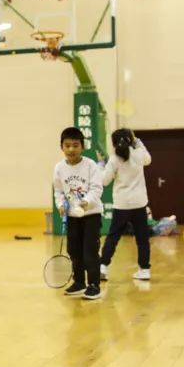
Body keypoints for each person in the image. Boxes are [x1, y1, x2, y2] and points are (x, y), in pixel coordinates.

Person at [53, 127, 104, 301]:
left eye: (75, 145)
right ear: (62, 147)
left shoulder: (91, 166)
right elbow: (58, 191)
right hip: (72, 217)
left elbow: (97, 188)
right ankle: (79, 282)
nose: (71, 149)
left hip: (91, 215)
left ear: (82, 146)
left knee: (90, 251)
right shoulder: (59, 168)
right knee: (74, 250)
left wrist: (87, 202)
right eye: (67, 145)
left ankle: (94, 285)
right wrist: (60, 204)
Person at [100, 129, 152, 281]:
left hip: (122, 204)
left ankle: (103, 267)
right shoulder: (139, 154)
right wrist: (138, 142)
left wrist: (100, 167)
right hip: (139, 203)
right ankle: (144, 270)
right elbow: (149, 159)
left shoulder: (114, 159)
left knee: (113, 236)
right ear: (131, 140)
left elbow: (105, 181)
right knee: (142, 238)